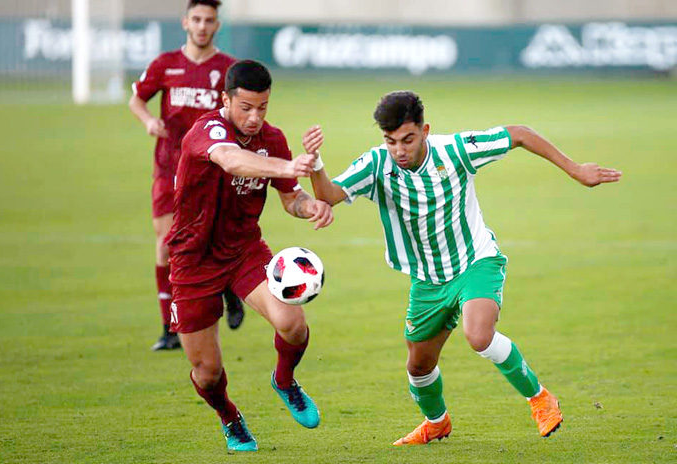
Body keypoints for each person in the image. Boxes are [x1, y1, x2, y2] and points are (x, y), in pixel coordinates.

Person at [304, 90, 622, 445]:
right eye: (391, 141)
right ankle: (437, 423)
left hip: (476, 262)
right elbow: (329, 195)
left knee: (478, 335)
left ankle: (540, 398)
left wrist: (575, 170)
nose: (400, 151)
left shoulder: (455, 150)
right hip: (427, 281)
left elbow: (518, 133)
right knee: (418, 367)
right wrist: (316, 163)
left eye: (408, 140)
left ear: (425, 130)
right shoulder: (377, 164)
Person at [165, 60, 333, 452]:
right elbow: (230, 159)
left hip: (244, 250)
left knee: (293, 323)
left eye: (263, 107)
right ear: (226, 100)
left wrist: (312, 208)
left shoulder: (272, 139)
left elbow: (291, 198)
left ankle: (285, 381)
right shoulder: (207, 132)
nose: (255, 117)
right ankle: (230, 417)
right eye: (246, 108)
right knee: (207, 374)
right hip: (193, 261)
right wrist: (288, 165)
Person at [129, 0, 244, 351]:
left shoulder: (228, 69)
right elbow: (137, 99)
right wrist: (149, 120)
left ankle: (228, 289)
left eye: (209, 20)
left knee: (212, 239)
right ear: (185, 22)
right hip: (169, 165)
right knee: (166, 244)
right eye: (196, 19)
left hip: (213, 167)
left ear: (217, 25)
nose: (202, 26)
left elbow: (242, 111)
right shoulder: (165, 64)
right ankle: (169, 328)